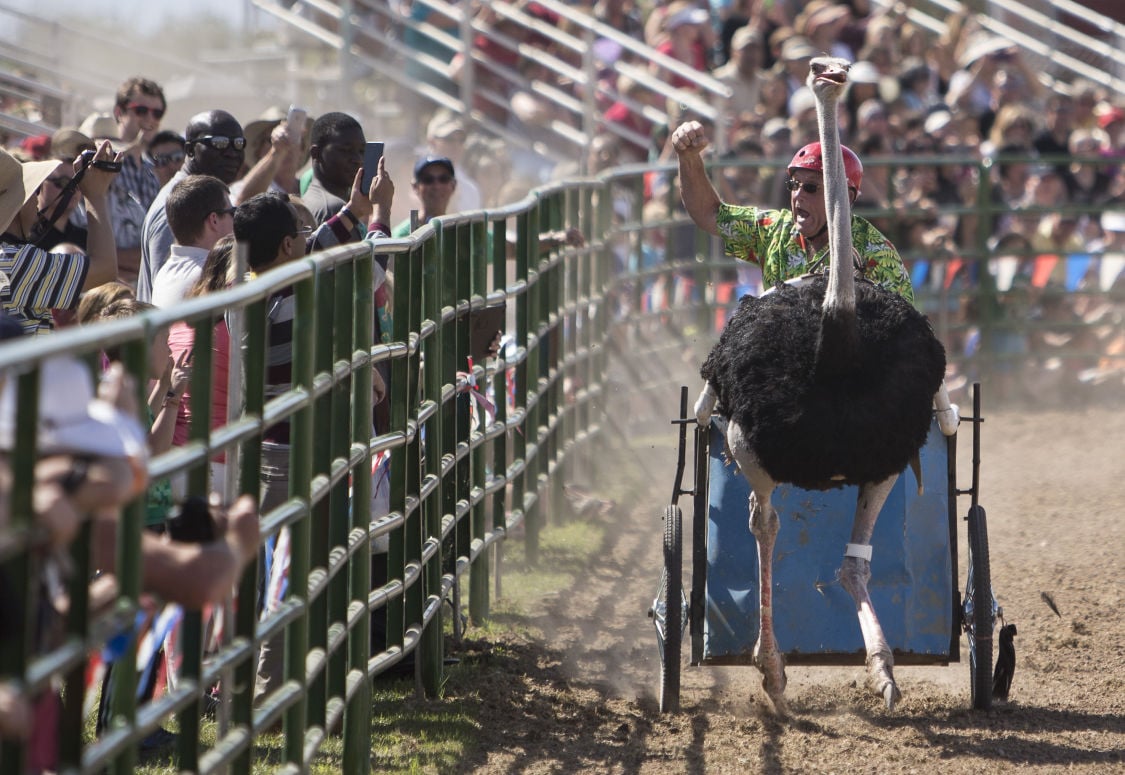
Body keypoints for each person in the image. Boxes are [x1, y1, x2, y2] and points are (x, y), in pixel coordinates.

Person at [670, 120, 913, 300]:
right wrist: (689, 159)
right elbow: (710, 214)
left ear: (846, 196)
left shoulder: (877, 255)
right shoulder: (774, 230)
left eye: (810, 187)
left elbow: (905, 335)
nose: (798, 195)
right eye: (793, 185)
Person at [0, 142, 121, 336]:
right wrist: (96, 196)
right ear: (17, 205)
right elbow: (105, 269)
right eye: (34, 191)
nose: (37, 201)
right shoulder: (16, 261)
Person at [137, 109, 246, 302]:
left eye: (238, 144)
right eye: (218, 143)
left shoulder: (203, 197)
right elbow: (167, 301)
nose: (231, 153)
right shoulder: (178, 204)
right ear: (189, 150)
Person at [106, 77, 167, 287]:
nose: (150, 118)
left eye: (157, 113)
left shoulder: (154, 170)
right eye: (140, 110)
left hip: (145, 282)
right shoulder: (104, 162)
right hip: (109, 284)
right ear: (119, 112)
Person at [150, 175, 235, 308]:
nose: (236, 219)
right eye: (232, 212)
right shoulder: (211, 273)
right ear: (214, 220)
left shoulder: (163, 274)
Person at [302, 111, 366, 225]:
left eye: (362, 151)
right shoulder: (334, 209)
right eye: (346, 150)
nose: (358, 160)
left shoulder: (313, 201)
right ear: (316, 153)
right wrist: (382, 211)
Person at [392, 156, 456, 236]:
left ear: (453, 185)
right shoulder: (403, 235)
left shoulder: (458, 233)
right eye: (428, 180)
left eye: (443, 179)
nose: (436, 186)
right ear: (415, 187)